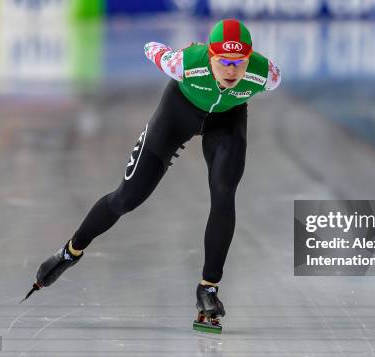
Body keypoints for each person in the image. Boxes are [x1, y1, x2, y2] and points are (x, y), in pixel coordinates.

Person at [22, 18, 281, 333]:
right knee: (126, 198)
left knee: (224, 193)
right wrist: (183, 52)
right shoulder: (183, 64)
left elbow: (261, 74)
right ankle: (71, 250)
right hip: (177, 113)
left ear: (249, 59)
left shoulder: (267, 74)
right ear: (210, 56)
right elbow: (150, 47)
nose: (231, 70)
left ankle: (208, 288)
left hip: (226, 121)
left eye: (238, 63)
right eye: (223, 62)